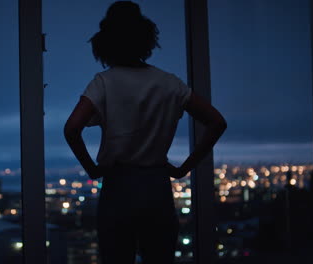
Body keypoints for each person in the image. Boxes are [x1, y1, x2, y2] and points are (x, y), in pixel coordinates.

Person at [64, 1, 227, 263]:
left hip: (118, 187)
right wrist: (184, 168)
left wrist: (92, 169)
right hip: (156, 187)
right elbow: (217, 122)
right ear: (146, 40)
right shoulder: (169, 83)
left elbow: (72, 129)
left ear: (105, 42)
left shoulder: (104, 82)